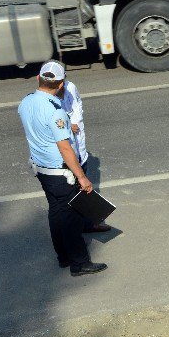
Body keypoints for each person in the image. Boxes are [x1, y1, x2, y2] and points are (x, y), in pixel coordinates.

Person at [18, 61, 107, 276]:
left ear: (38, 79)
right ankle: (79, 263)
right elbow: (65, 149)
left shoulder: (26, 102)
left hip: (41, 169)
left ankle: (63, 257)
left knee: (56, 212)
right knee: (72, 217)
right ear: (60, 85)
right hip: (61, 172)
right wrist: (82, 177)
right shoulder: (56, 111)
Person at [59, 71, 111, 233]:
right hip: (66, 155)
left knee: (84, 189)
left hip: (80, 148)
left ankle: (87, 224)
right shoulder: (47, 98)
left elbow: (78, 107)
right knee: (68, 194)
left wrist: (74, 123)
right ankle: (70, 227)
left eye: (63, 80)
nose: (61, 85)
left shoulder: (71, 87)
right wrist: (68, 124)